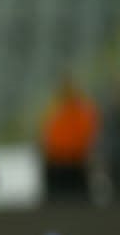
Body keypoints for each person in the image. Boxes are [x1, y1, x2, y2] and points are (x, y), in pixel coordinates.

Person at [38, 73, 99, 204]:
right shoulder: (54, 110)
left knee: (78, 203)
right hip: (57, 164)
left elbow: (88, 137)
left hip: (76, 164)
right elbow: (45, 137)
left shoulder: (82, 111)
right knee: (58, 203)